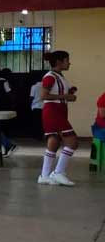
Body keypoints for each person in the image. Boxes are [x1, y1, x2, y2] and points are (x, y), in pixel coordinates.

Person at [38, 51, 78, 186]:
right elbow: (44, 95)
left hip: (58, 111)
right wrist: (65, 97)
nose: (69, 63)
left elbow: (58, 93)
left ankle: (44, 175)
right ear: (59, 62)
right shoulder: (50, 77)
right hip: (53, 111)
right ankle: (58, 172)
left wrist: (69, 93)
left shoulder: (59, 76)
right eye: (67, 60)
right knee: (72, 141)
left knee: (54, 141)